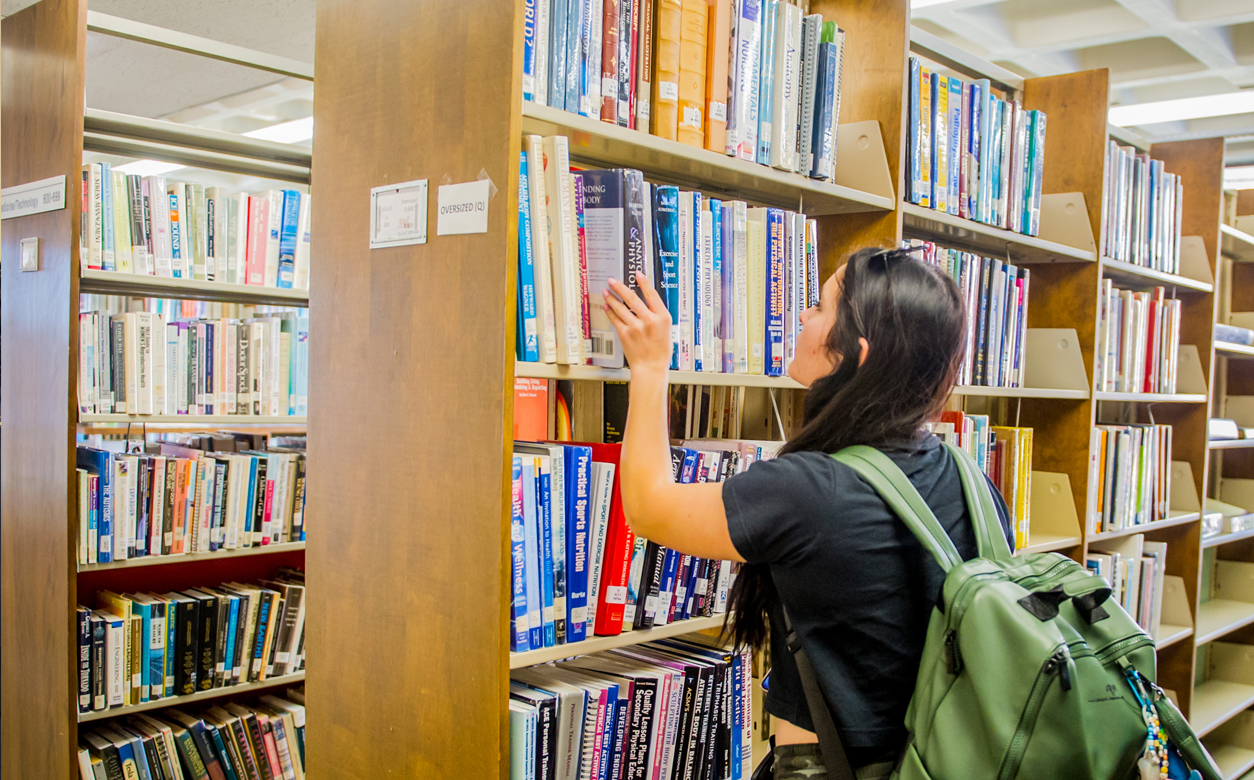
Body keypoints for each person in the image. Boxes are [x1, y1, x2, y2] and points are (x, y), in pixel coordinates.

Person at [601, 247, 1016, 780]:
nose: (801, 316)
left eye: (819, 308)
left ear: (854, 355)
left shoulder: (811, 490)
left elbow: (649, 507)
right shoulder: (970, 478)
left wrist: (651, 367)